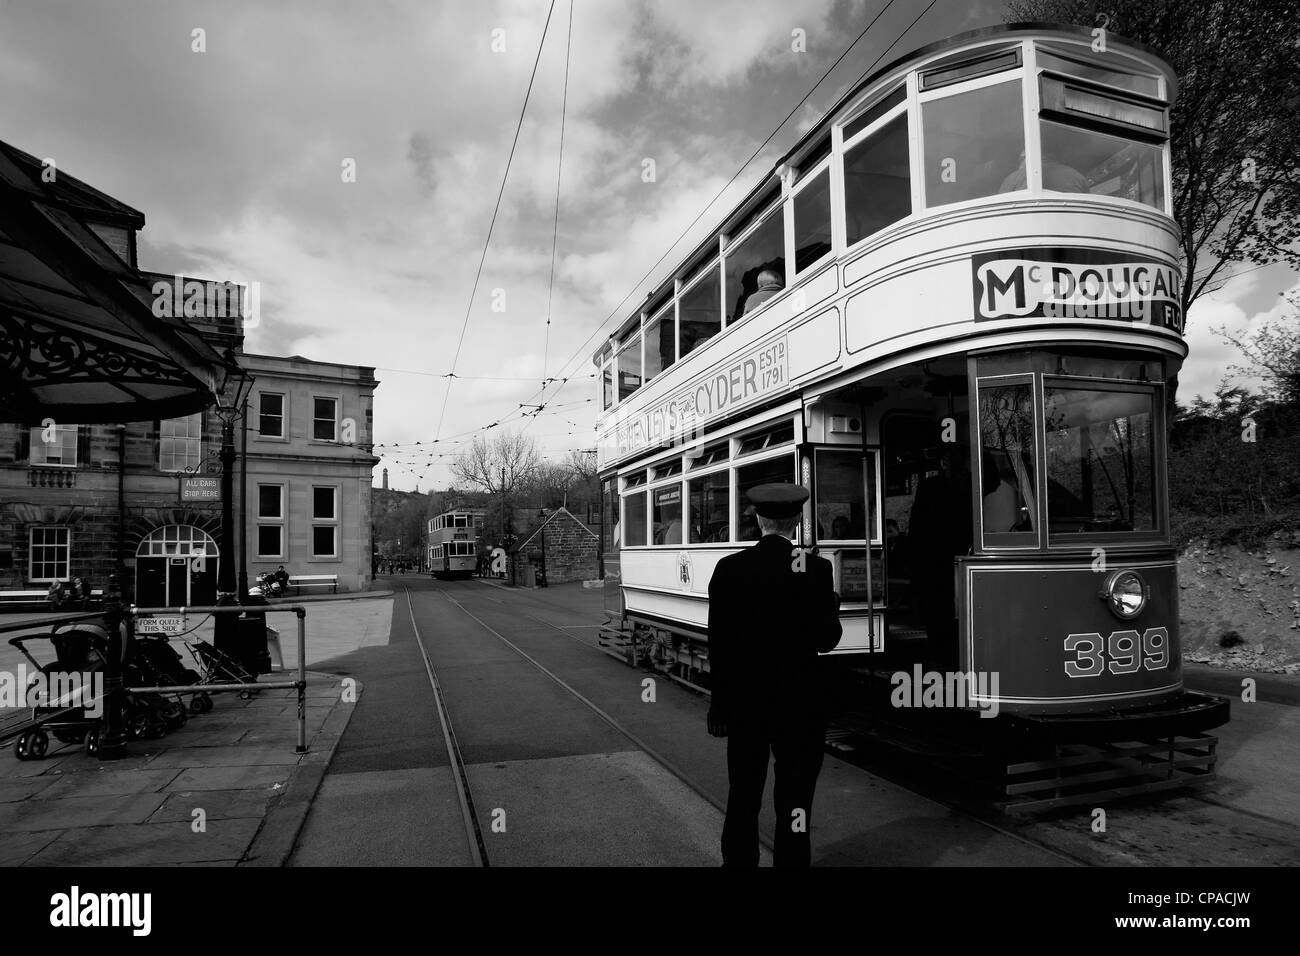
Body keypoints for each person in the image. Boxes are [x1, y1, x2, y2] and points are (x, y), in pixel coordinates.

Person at [707, 482, 843, 867]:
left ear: (758, 520)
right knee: (795, 799)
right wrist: (831, 604)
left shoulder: (730, 569)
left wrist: (719, 705)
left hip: (746, 705)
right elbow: (826, 640)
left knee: (744, 795)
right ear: (797, 520)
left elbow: (719, 644)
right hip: (800, 707)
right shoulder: (816, 569)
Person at [908, 447, 974, 671]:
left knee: (938, 612)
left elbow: (917, 525)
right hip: (955, 555)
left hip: (935, 558)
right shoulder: (968, 484)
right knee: (950, 611)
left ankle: (942, 656)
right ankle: (951, 655)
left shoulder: (930, 486)